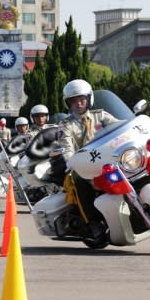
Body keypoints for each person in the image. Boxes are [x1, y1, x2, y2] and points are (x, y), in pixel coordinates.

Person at [57, 79, 119, 236]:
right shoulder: (66, 124)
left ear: (89, 99)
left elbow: (120, 128)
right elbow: (66, 146)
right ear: (68, 103)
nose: (78, 103)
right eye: (73, 101)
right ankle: (93, 223)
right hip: (85, 164)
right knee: (79, 179)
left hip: (108, 158)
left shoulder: (101, 116)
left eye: (81, 99)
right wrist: (71, 162)